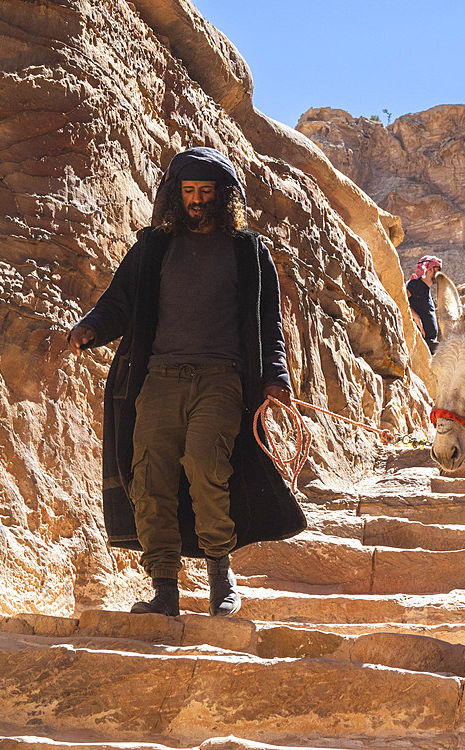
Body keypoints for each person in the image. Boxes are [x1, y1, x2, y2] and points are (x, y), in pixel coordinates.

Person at [67, 147, 304, 617]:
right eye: (189, 191)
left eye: (206, 191)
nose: (197, 200)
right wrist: (91, 326)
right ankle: (164, 590)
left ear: (224, 196)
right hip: (158, 378)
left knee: (205, 465)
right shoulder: (152, 247)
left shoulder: (249, 251)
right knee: (150, 475)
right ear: (176, 195)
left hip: (221, 378)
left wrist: (276, 377)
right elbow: (118, 303)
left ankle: (220, 574)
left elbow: (268, 325)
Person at [406, 255, 442, 353]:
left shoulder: (426, 289)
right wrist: (414, 316)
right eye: (437, 269)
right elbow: (400, 298)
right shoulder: (415, 284)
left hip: (428, 342)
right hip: (421, 341)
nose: (439, 273)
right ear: (429, 269)